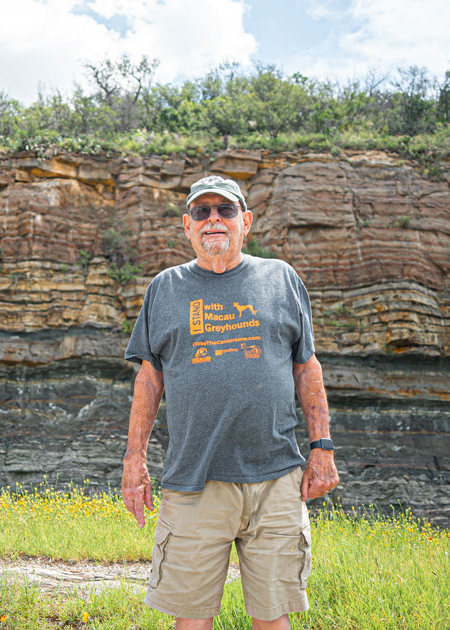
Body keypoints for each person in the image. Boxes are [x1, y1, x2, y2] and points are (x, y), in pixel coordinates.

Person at [121, 175, 340, 630]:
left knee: (273, 617)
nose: (213, 219)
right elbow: (149, 380)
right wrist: (134, 459)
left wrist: (322, 447)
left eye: (226, 210)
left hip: (276, 477)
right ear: (187, 225)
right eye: (202, 212)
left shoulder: (280, 277)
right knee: (192, 619)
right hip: (194, 478)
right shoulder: (165, 287)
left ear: (247, 221)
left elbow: (307, 367)